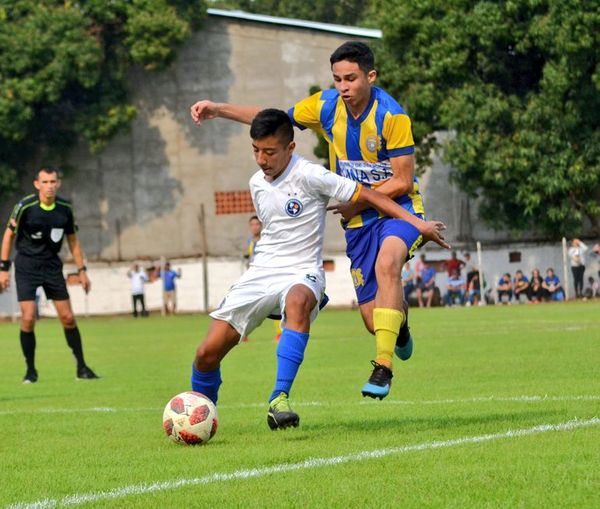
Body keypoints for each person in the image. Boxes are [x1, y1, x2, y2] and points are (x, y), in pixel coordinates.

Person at [191, 41, 450, 400]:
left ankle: (382, 366)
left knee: (388, 263)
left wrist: (377, 210)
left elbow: (403, 180)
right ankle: (399, 327)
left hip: (399, 207)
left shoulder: (393, 117)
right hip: (358, 220)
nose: (343, 86)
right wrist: (219, 109)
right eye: (338, 79)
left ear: (370, 76)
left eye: (351, 79)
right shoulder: (327, 106)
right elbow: (276, 121)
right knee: (375, 321)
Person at [0, 167, 99, 383]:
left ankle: (82, 368)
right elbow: (8, 235)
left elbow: (73, 241)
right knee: (27, 318)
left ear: (58, 184)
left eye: (53, 181)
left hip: (52, 266)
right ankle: (30, 371)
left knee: (68, 317)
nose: (49, 186)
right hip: (26, 265)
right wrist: (3, 269)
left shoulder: (64, 208)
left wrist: (82, 271)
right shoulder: (25, 206)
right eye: (44, 182)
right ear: (37, 184)